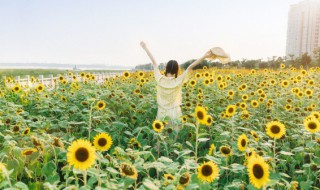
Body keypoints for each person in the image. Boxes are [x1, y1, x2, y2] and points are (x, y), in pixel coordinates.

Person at [140, 41, 229, 133]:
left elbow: (154, 62)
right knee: (174, 136)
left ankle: (158, 148)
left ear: (166, 68)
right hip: (174, 112)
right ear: (176, 69)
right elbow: (190, 66)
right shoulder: (178, 81)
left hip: (161, 112)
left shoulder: (159, 79)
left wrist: (145, 47)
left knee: (161, 135)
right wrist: (204, 56)